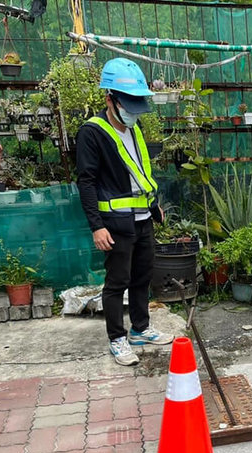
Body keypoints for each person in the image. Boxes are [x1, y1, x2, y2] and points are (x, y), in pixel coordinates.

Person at [77, 58, 174, 366]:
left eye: (137, 104)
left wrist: (152, 203)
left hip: (142, 217)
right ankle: (117, 339)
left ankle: (140, 329)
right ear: (110, 99)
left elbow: (139, 170)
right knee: (117, 282)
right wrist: (96, 226)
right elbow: (87, 181)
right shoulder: (93, 133)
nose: (134, 111)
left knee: (143, 276)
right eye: (128, 104)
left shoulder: (134, 128)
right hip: (116, 223)